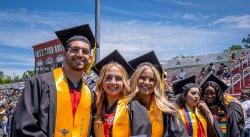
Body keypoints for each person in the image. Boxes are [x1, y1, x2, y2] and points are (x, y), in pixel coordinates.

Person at [11, 24, 99, 137]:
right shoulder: (39, 83)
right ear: (65, 52)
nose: (80, 54)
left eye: (85, 51)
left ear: (90, 58)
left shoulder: (89, 95)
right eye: (75, 49)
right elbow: (24, 128)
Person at [128, 51, 189, 137]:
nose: (146, 82)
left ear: (156, 83)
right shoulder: (125, 106)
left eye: (152, 79)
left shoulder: (167, 109)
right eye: (142, 78)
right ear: (135, 79)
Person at [92, 50, 134, 137]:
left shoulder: (131, 106)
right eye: (108, 78)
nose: (113, 82)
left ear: (124, 82)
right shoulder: (96, 106)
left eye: (118, 78)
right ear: (101, 81)